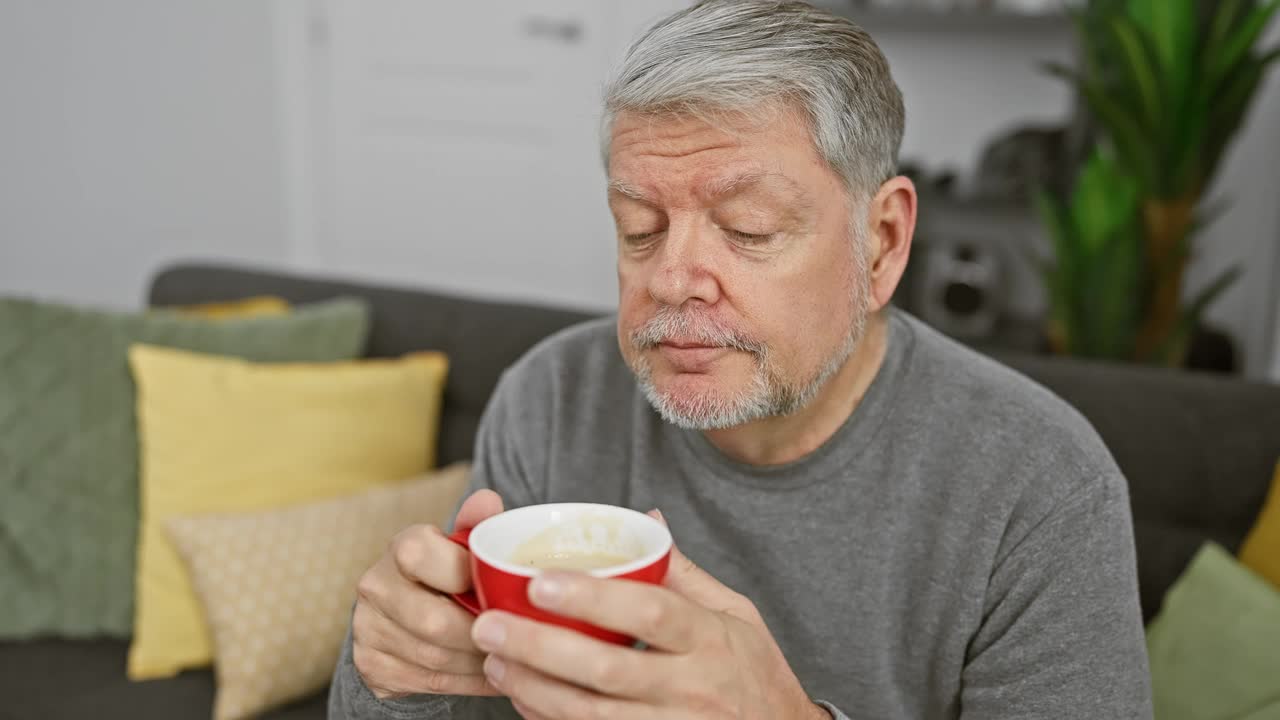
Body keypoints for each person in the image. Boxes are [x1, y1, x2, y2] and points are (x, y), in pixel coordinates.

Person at [329, 1, 1153, 718]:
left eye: (749, 228)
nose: (672, 280)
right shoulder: (550, 400)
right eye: (638, 228)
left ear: (883, 244)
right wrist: (394, 675)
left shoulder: (1043, 486)